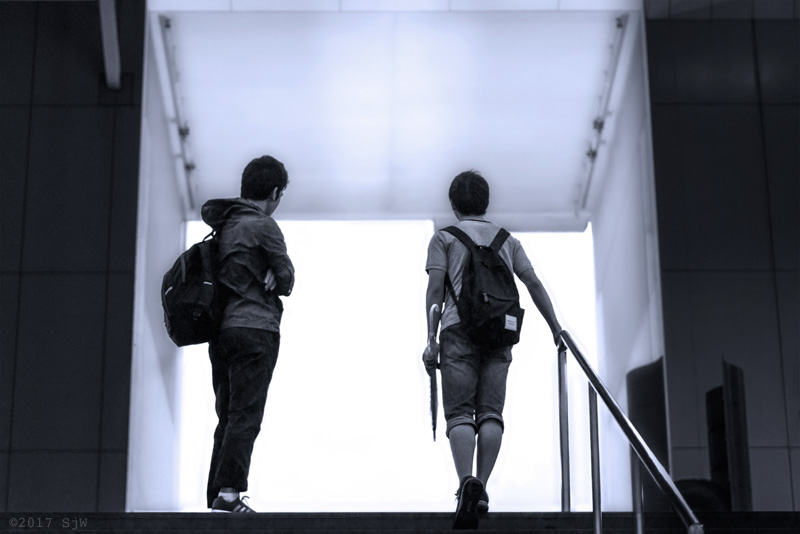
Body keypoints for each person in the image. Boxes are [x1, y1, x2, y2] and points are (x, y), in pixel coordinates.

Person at [423, 170, 562, 529]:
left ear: (454, 205)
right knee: (490, 413)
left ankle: (465, 482)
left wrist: (430, 338)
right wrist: (555, 328)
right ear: (486, 203)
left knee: (459, 414)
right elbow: (532, 282)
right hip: (501, 332)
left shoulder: (444, 239)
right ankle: (481, 487)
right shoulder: (507, 241)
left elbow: (435, 291)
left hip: (458, 330)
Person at [200, 155, 295, 513]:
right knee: (246, 415)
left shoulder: (224, 226)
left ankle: (217, 495)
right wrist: (273, 273)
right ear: (274, 192)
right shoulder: (263, 226)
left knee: (226, 415)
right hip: (256, 330)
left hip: (222, 334)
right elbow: (286, 278)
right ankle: (228, 495)